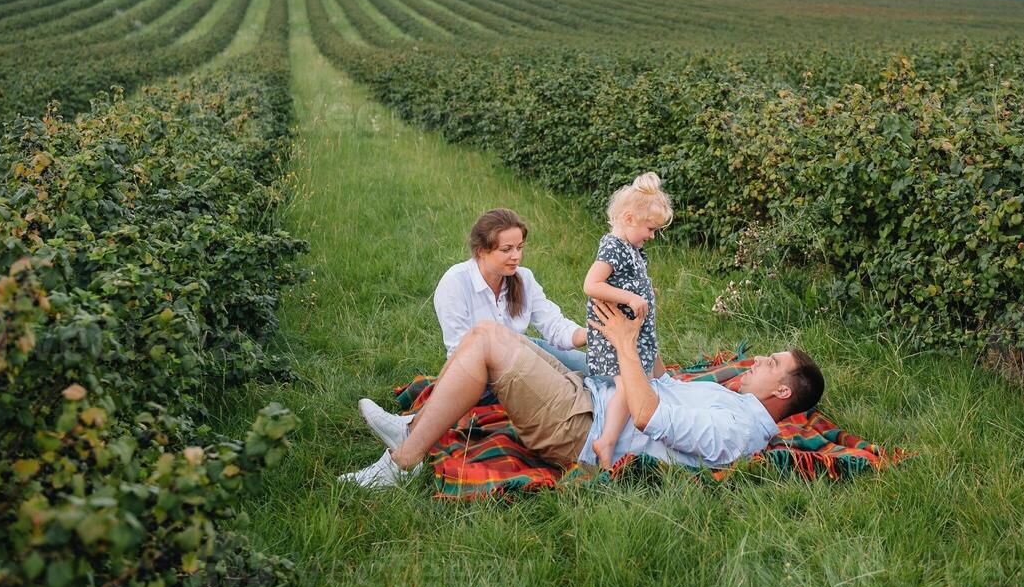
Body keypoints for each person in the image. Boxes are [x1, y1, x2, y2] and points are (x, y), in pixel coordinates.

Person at [338, 300, 824, 488]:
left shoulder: (739, 429)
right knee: (501, 336)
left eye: (772, 363)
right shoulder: (734, 401)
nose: (759, 360)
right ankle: (413, 429)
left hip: (581, 427)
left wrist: (626, 349)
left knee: (488, 341)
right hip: (589, 396)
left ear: (782, 390)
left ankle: (401, 464)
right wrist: (640, 323)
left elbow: (650, 415)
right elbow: (664, 384)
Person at [356, 208, 589, 444]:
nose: (516, 256)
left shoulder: (524, 278)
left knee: (597, 369)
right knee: (568, 388)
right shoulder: (455, 283)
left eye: (520, 247)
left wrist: (592, 334)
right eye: (506, 250)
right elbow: (460, 354)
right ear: (481, 251)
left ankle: (614, 406)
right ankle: (409, 428)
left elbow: (555, 325)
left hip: (525, 351)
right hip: (487, 375)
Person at [582, 172, 671, 468]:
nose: (652, 235)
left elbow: (630, 279)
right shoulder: (613, 246)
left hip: (636, 331)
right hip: (615, 335)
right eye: (650, 228)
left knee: (648, 368)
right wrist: (630, 297)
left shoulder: (633, 249)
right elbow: (592, 285)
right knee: (627, 386)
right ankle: (606, 441)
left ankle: (666, 385)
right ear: (630, 218)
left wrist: (642, 291)